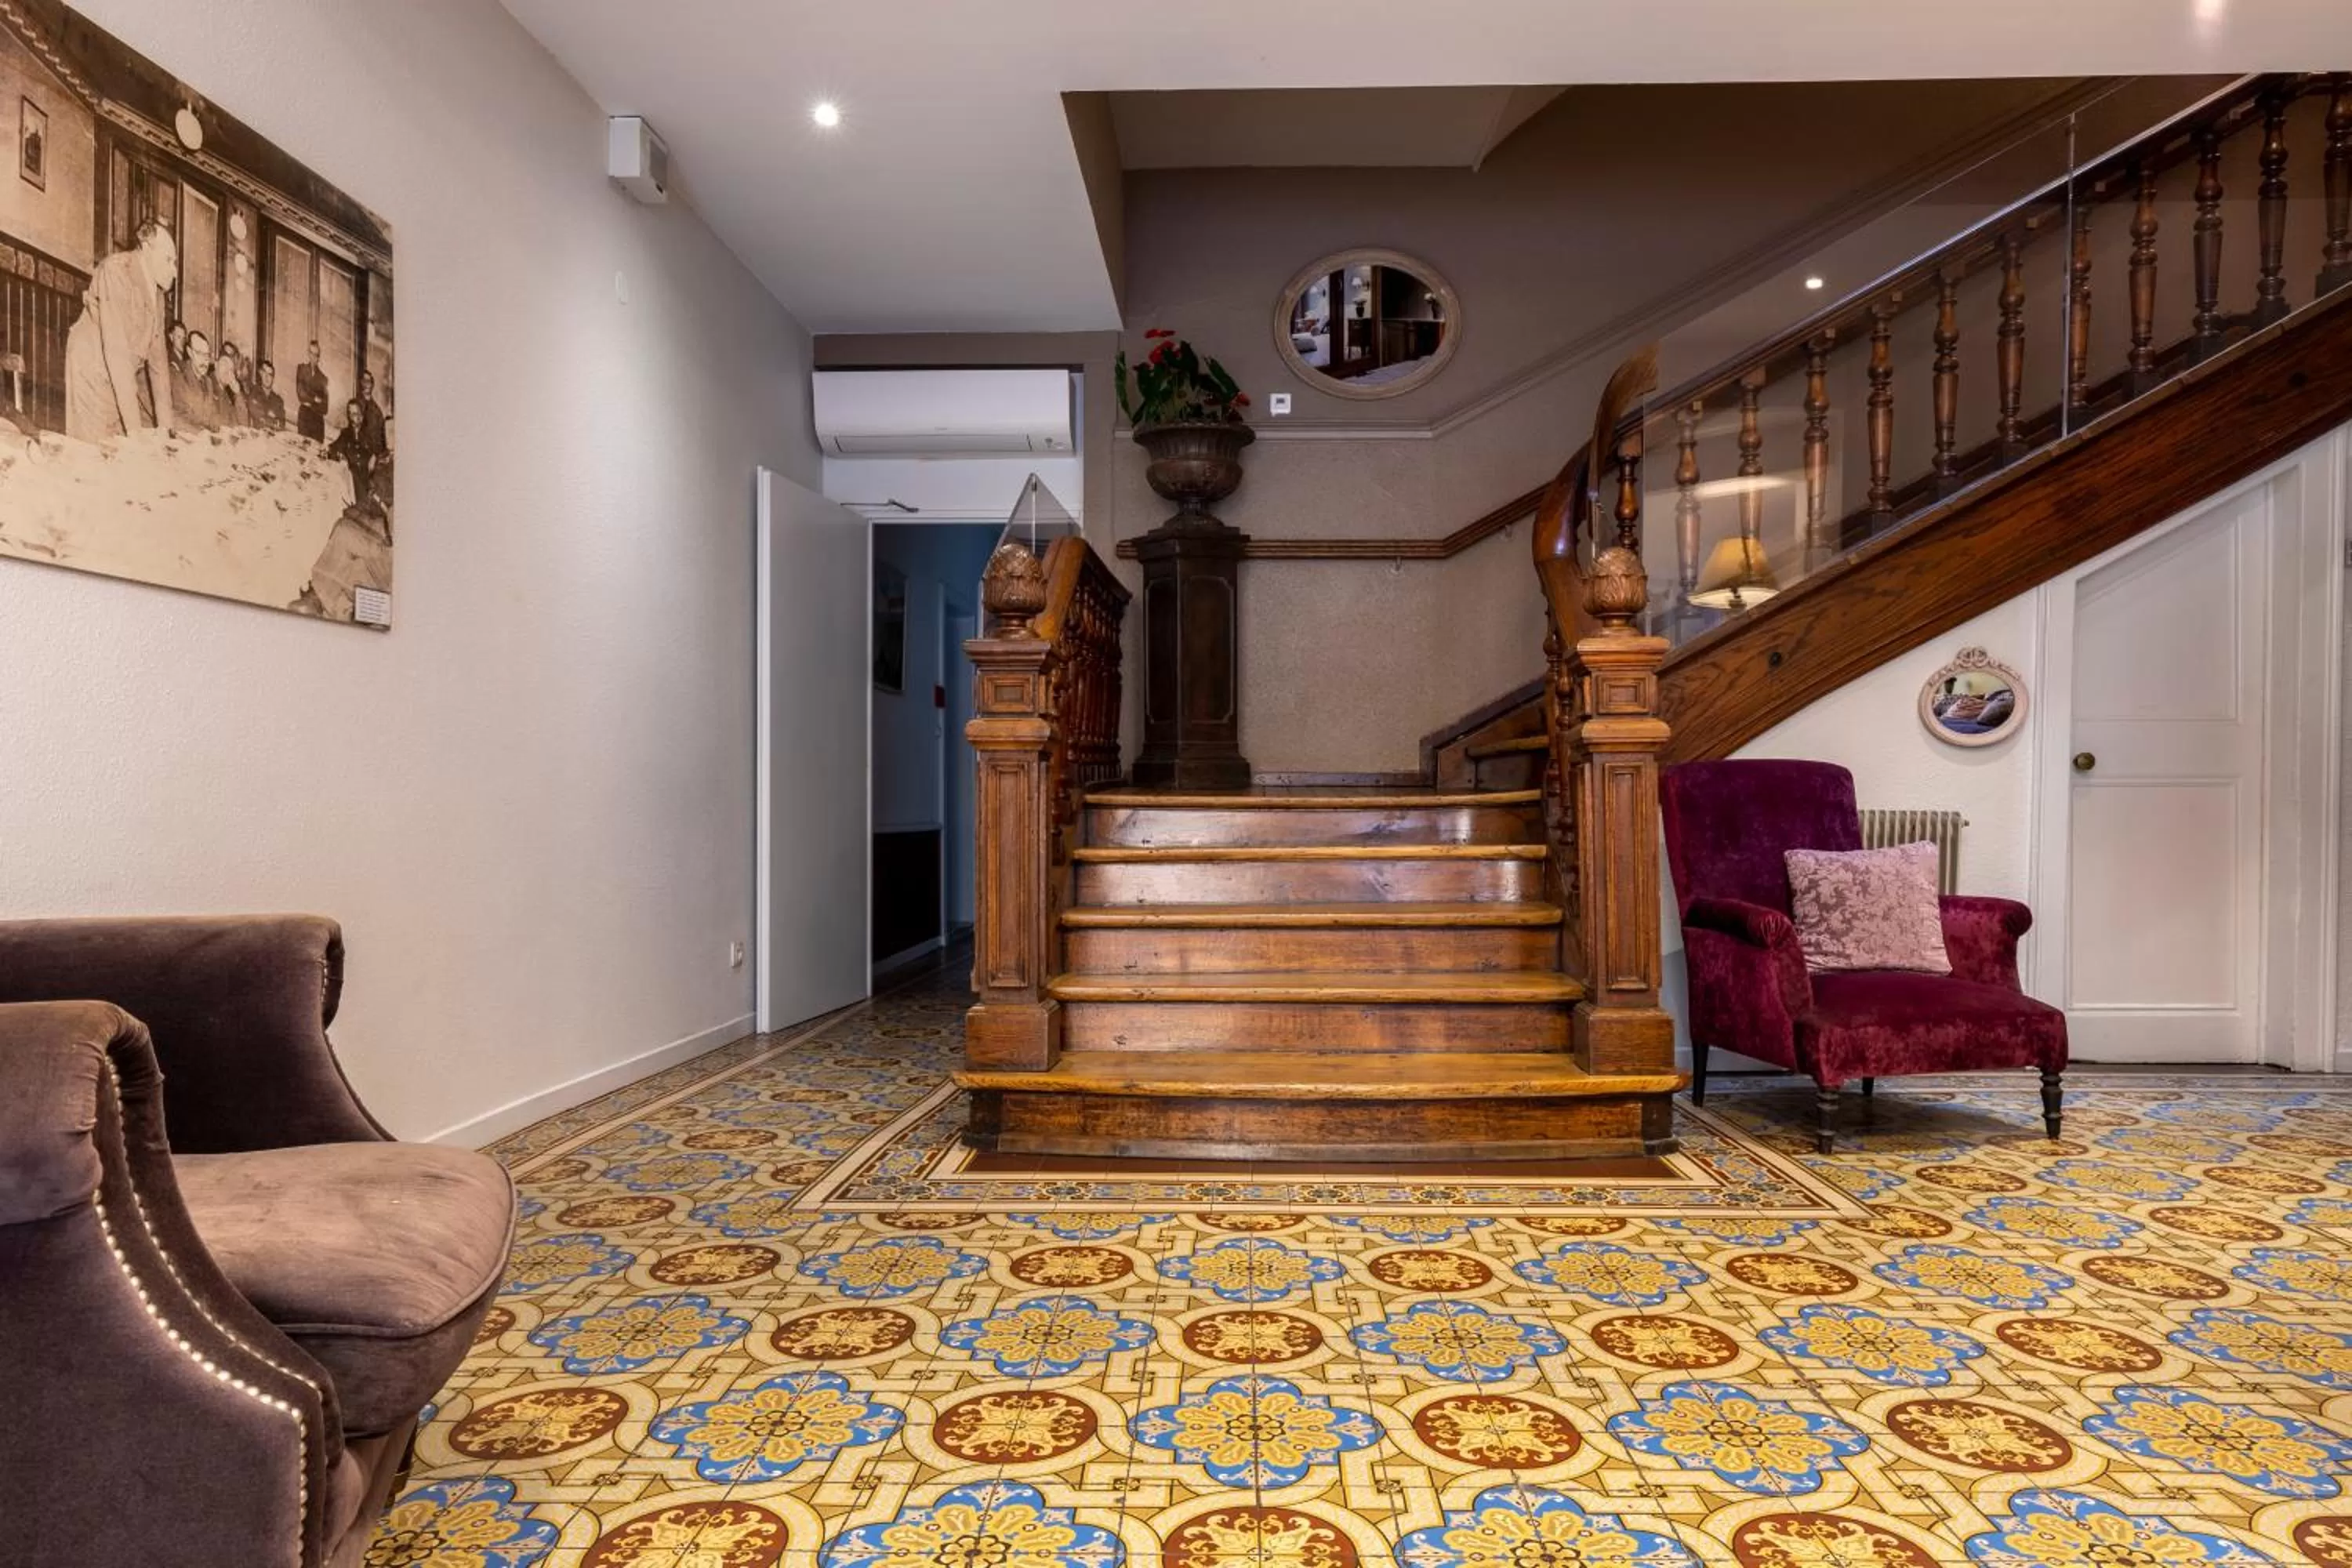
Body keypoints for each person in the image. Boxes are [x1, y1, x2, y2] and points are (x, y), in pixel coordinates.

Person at [63, 222, 176, 441]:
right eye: (168, 260)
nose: (174, 271)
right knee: (95, 448)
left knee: (118, 447)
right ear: (146, 247)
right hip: (93, 369)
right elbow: (117, 350)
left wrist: (166, 429)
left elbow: (159, 363)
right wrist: (134, 430)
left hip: (119, 374)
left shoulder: (158, 294)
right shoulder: (116, 270)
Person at [325, 398, 383, 529]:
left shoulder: (370, 435)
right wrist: (331, 452)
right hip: (351, 478)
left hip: (367, 479)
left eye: (356, 414)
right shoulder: (346, 433)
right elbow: (334, 448)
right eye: (350, 414)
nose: (353, 418)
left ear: (362, 415)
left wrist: (375, 457)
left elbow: (381, 451)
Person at [170, 330, 226, 432]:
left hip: (204, 437)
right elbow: (176, 417)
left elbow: (213, 414)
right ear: (190, 352)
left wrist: (221, 427)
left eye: (207, 355)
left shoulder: (208, 382)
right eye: (200, 353)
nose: (205, 361)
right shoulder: (179, 376)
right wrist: (200, 433)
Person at [295, 339, 329, 441]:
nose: (314, 357)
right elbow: (301, 394)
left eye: (316, 355)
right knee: (304, 446)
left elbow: (325, 408)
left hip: (318, 420)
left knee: (316, 448)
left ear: (319, 357)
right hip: (304, 416)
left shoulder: (323, 379)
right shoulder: (301, 369)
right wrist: (315, 399)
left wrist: (309, 399)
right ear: (308, 354)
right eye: (312, 353)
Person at [253, 358, 287, 430]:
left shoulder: (278, 400)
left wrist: (268, 417)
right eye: (264, 373)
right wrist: (274, 420)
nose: (267, 377)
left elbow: (282, 424)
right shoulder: (254, 393)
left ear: (273, 378)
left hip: (274, 435)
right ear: (261, 374)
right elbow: (259, 417)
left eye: (270, 375)